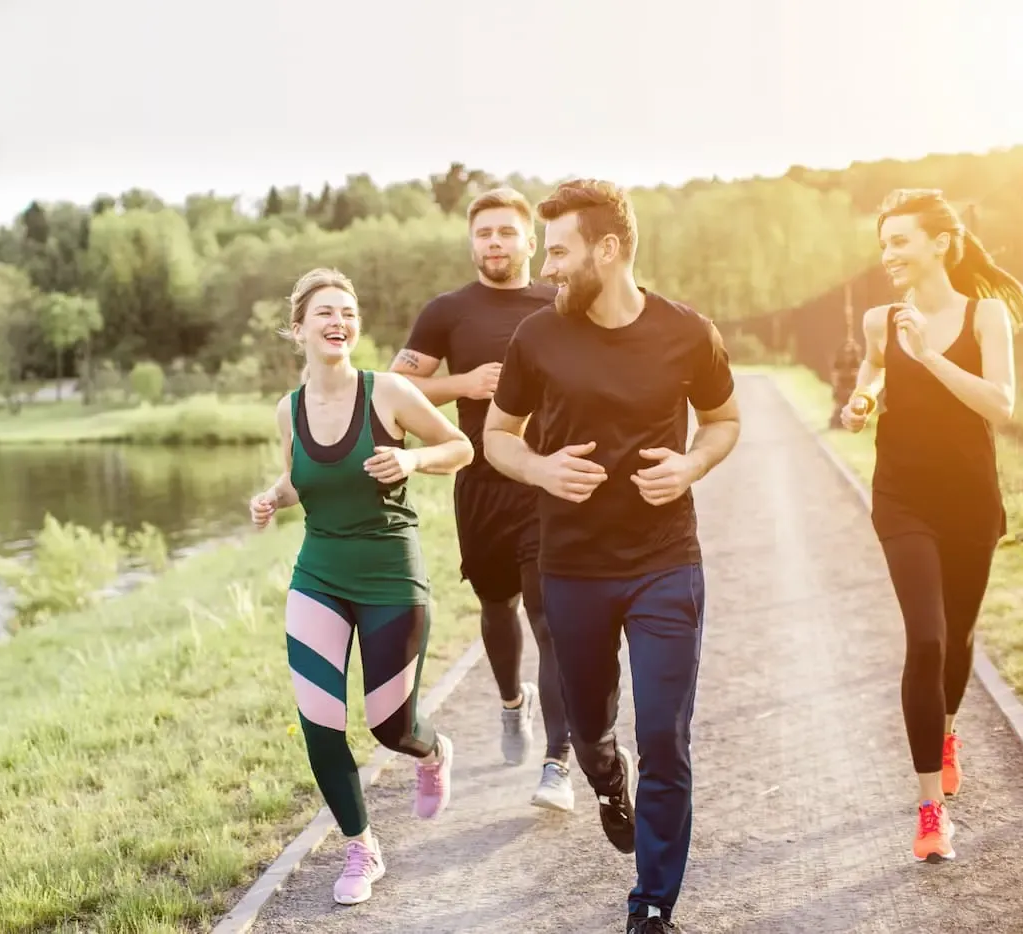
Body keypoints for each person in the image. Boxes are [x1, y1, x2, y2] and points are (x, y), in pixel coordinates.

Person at [483, 178, 741, 934]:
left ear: (609, 248)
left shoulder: (689, 333)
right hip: (572, 567)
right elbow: (498, 435)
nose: (548, 267)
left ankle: (652, 903)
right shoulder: (536, 337)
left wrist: (692, 465)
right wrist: (539, 467)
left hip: (666, 561)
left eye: (559, 251)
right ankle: (603, 775)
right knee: (595, 727)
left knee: (665, 734)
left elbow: (724, 420)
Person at [249, 267, 475, 906]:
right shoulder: (287, 410)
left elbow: (460, 447)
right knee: (320, 721)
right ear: (298, 329)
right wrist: (273, 496)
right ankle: (361, 847)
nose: (337, 322)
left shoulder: (391, 392)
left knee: (388, 724)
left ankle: (432, 752)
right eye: (323, 312)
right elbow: (303, 478)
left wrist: (411, 459)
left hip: (390, 578)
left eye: (346, 311)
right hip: (318, 574)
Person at [840, 188, 1023, 863]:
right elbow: (873, 368)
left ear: (940, 244)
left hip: (970, 499)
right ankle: (930, 811)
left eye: (901, 241)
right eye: (884, 241)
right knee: (925, 640)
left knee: (958, 638)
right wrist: (862, 399)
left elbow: (1002, 406)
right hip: (902, 497)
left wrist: (931, 356)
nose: (888, 253)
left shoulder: (986, 317)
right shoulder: (879, 319)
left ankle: (946, 729)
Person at [391, 186, 574, 811]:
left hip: (545, 482)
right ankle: (510, 703)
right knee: (498, 607)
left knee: (551, 619)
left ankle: (559, 764)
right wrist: (462, 383)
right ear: (473, 243)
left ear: (529, 241)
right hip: (480, 485)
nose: (494, 243)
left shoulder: (560, 299)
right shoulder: (447, 311)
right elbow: (396, 388)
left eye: (505, 232)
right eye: (483, 233)